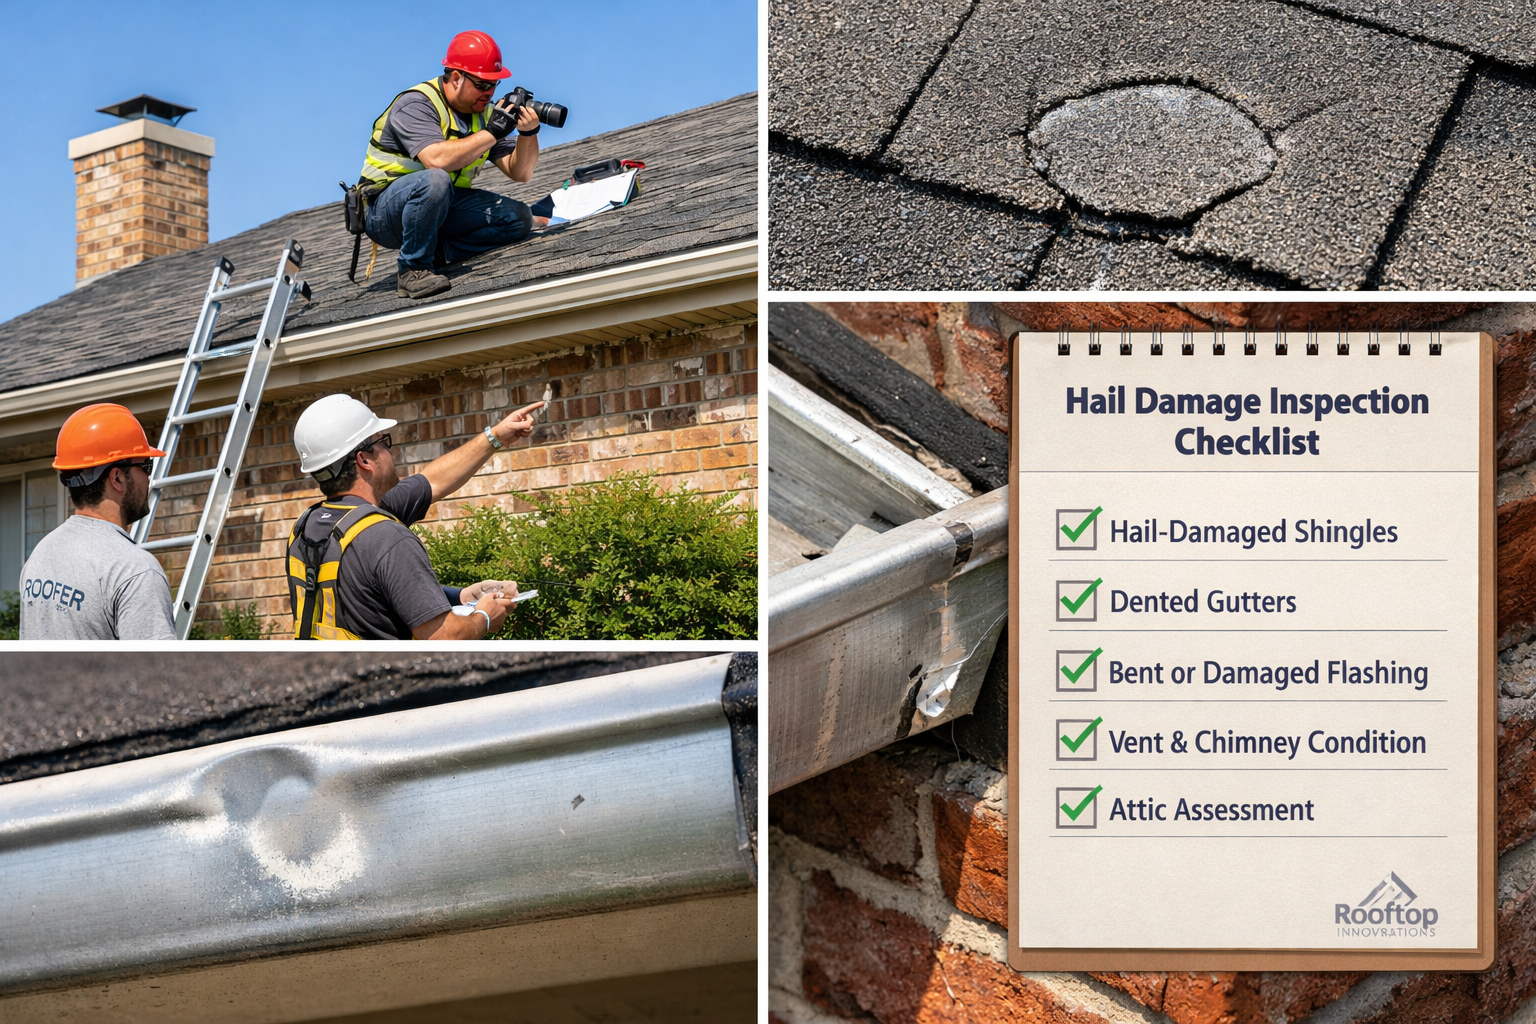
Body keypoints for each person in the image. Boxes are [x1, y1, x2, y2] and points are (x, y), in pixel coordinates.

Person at [287, 394, 546, 640]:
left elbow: (433, 481)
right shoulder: (387, 538)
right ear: (364, 459)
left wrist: (496, 436)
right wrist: (484, 617)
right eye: (382, 442)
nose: (390, 451)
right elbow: (443, 637)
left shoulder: (307, 528)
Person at [359, 30, 548, 301]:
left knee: (518, 218)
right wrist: (493, 132)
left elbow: (520, 172)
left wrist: (528, 134)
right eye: (482, 85)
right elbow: (436, 160)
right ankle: (413, 270)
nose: (490, 93)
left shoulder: (483, 116)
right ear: (457, 77)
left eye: (494, 85)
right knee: (435, 179)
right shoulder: (415, 104)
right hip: (384, 212)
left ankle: (437, 251)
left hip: (438, 208)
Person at [19, 404, 175, 640]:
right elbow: (158, 672)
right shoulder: (135, 571)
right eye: (145, 466)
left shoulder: (40, 556)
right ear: (117, 477)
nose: (149, 477)